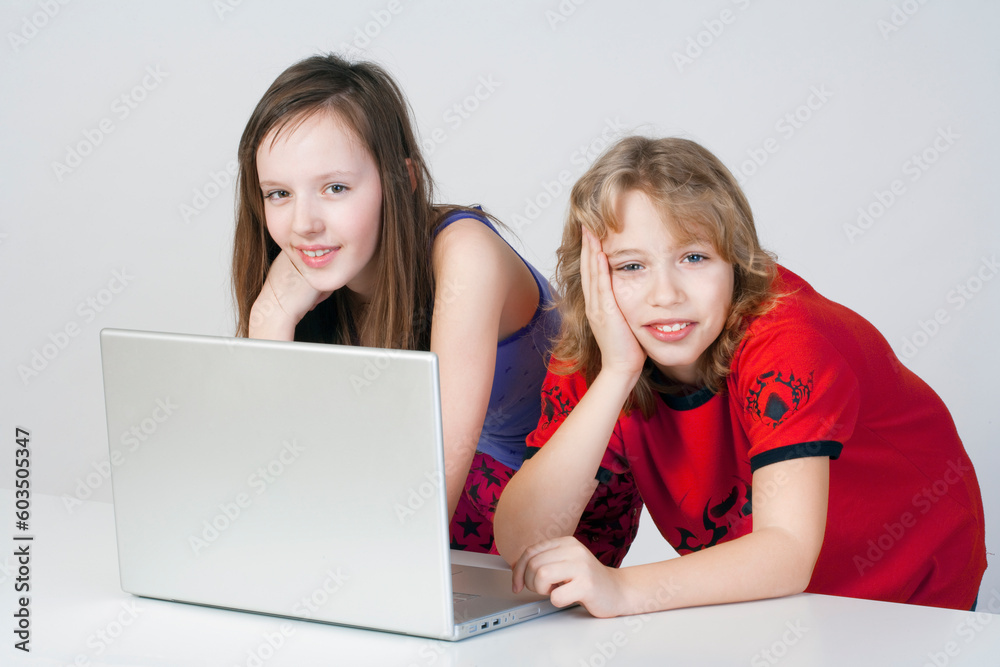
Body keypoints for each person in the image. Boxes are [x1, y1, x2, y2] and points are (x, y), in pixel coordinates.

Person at [493, 135, 987, 614]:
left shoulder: (790, 340)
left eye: (694, 257)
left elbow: (787, 550)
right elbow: (522, 541)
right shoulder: (606, 345)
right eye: (630, 266)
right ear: (593, 278)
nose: (665, 294)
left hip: (907, 583)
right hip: (774, 596)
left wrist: (621, 589)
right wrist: (618, 372)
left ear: (737, 261)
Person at [229, 53, 639, 558]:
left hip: (556, 515)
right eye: (278, 194)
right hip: (430, 497)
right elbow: (269, 474)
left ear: (402, 179)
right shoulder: (303, 278)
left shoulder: (465, 254)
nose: (303, 223)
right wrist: (270, 320)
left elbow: (427, 495)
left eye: (335, 188)